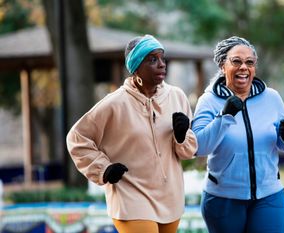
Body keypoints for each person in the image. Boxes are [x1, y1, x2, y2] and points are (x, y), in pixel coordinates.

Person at [66, 34, 198, 233]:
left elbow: (187, 152)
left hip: (170, 197)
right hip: (131, 196)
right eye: (152, 59)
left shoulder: (177, 97)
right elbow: (77, 138)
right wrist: (104, 169)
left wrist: (181, 138)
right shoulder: (114, 103)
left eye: (163, 58)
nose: (162, 64)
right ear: (136, 67)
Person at [192, 36, 284, 233]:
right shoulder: (208, 101)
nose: (244, 67)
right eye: (236, 61)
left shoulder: (271, 98)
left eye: (249, 62)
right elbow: (198, 146)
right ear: (223, 66)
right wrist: (224, 116)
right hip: (223, 199)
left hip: (269, 195)